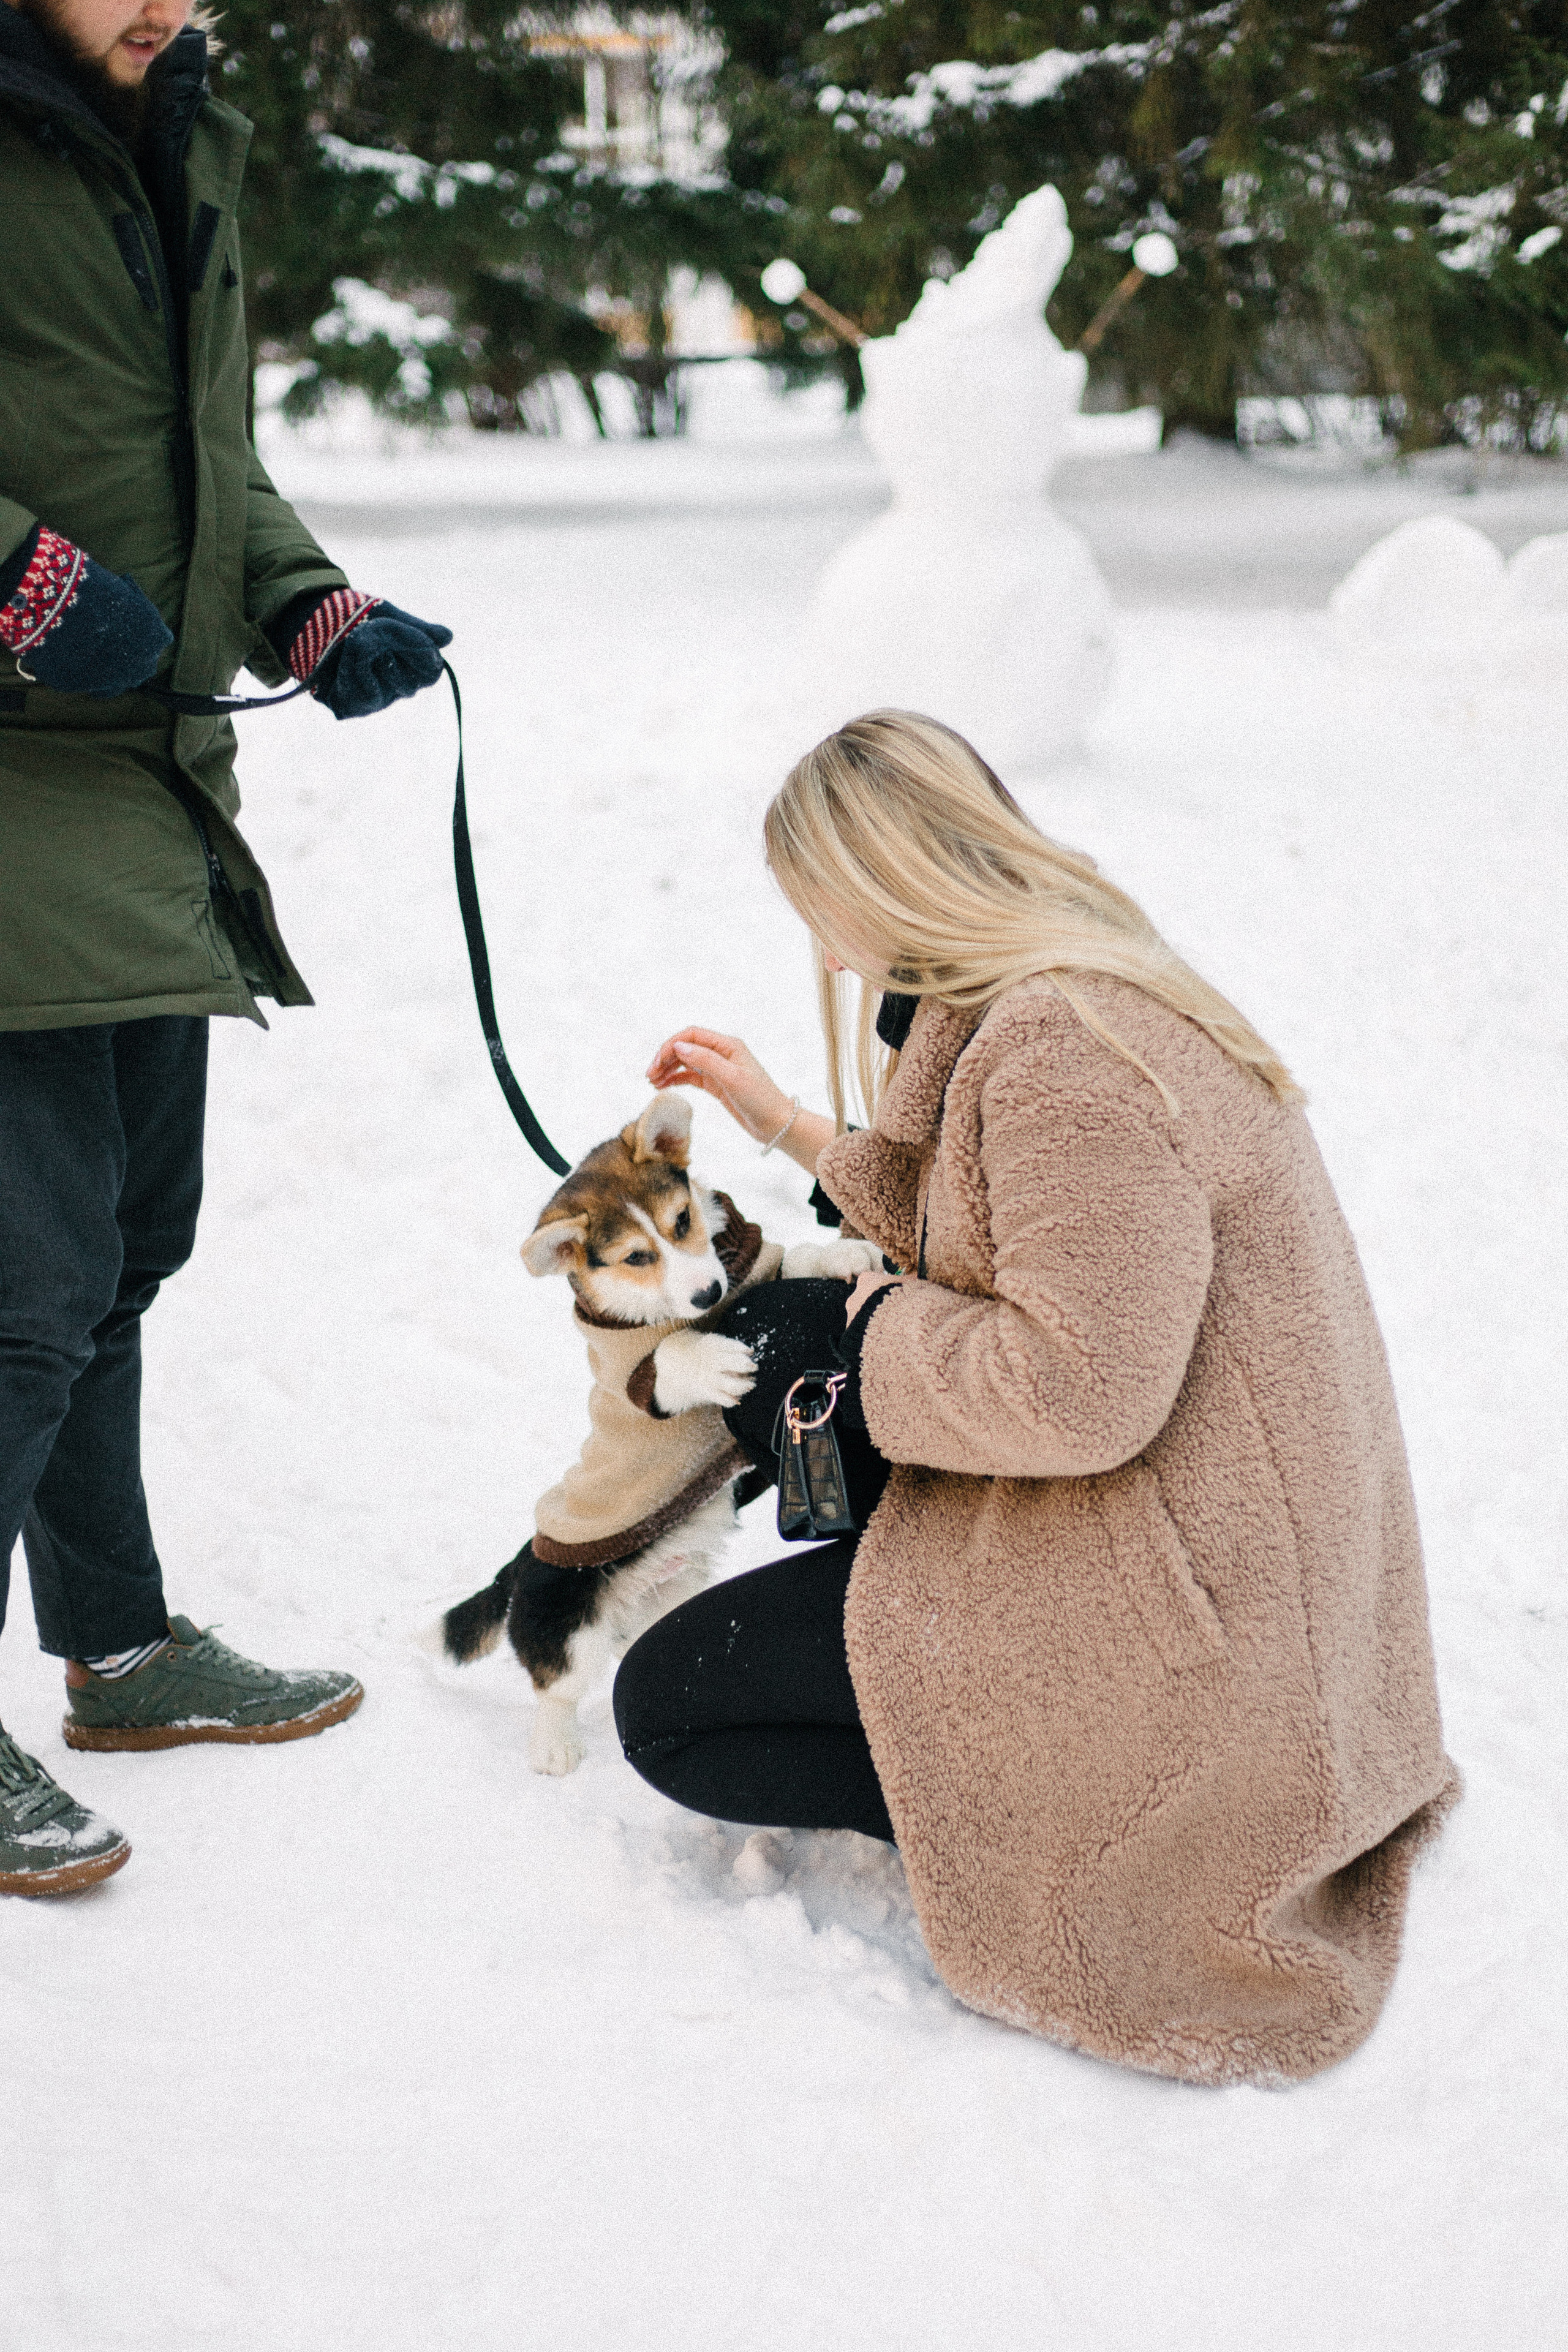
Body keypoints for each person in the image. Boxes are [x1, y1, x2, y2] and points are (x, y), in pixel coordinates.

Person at [616, 708, 1459, 2087]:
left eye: (823, 914)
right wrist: (783, 1124)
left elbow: (1079, 1392)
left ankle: (1046, 1809)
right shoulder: (1073, 978)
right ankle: (970, 1714)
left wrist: (864, 1334)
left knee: (673, 1707)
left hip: (1192, 1622)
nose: (826, 956)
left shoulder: (1067, 1053)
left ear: (890, 880)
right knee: (794, 1345)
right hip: (1215, 1549)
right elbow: (1001, 1228)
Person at [0, 0, 451, 1896]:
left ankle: (120, 1656)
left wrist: (306, 603)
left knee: (120, 1255)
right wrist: (10, 575)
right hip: (14, 782)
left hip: (144, 780)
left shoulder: (183, 132)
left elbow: (208, 455)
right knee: (20, 1292)